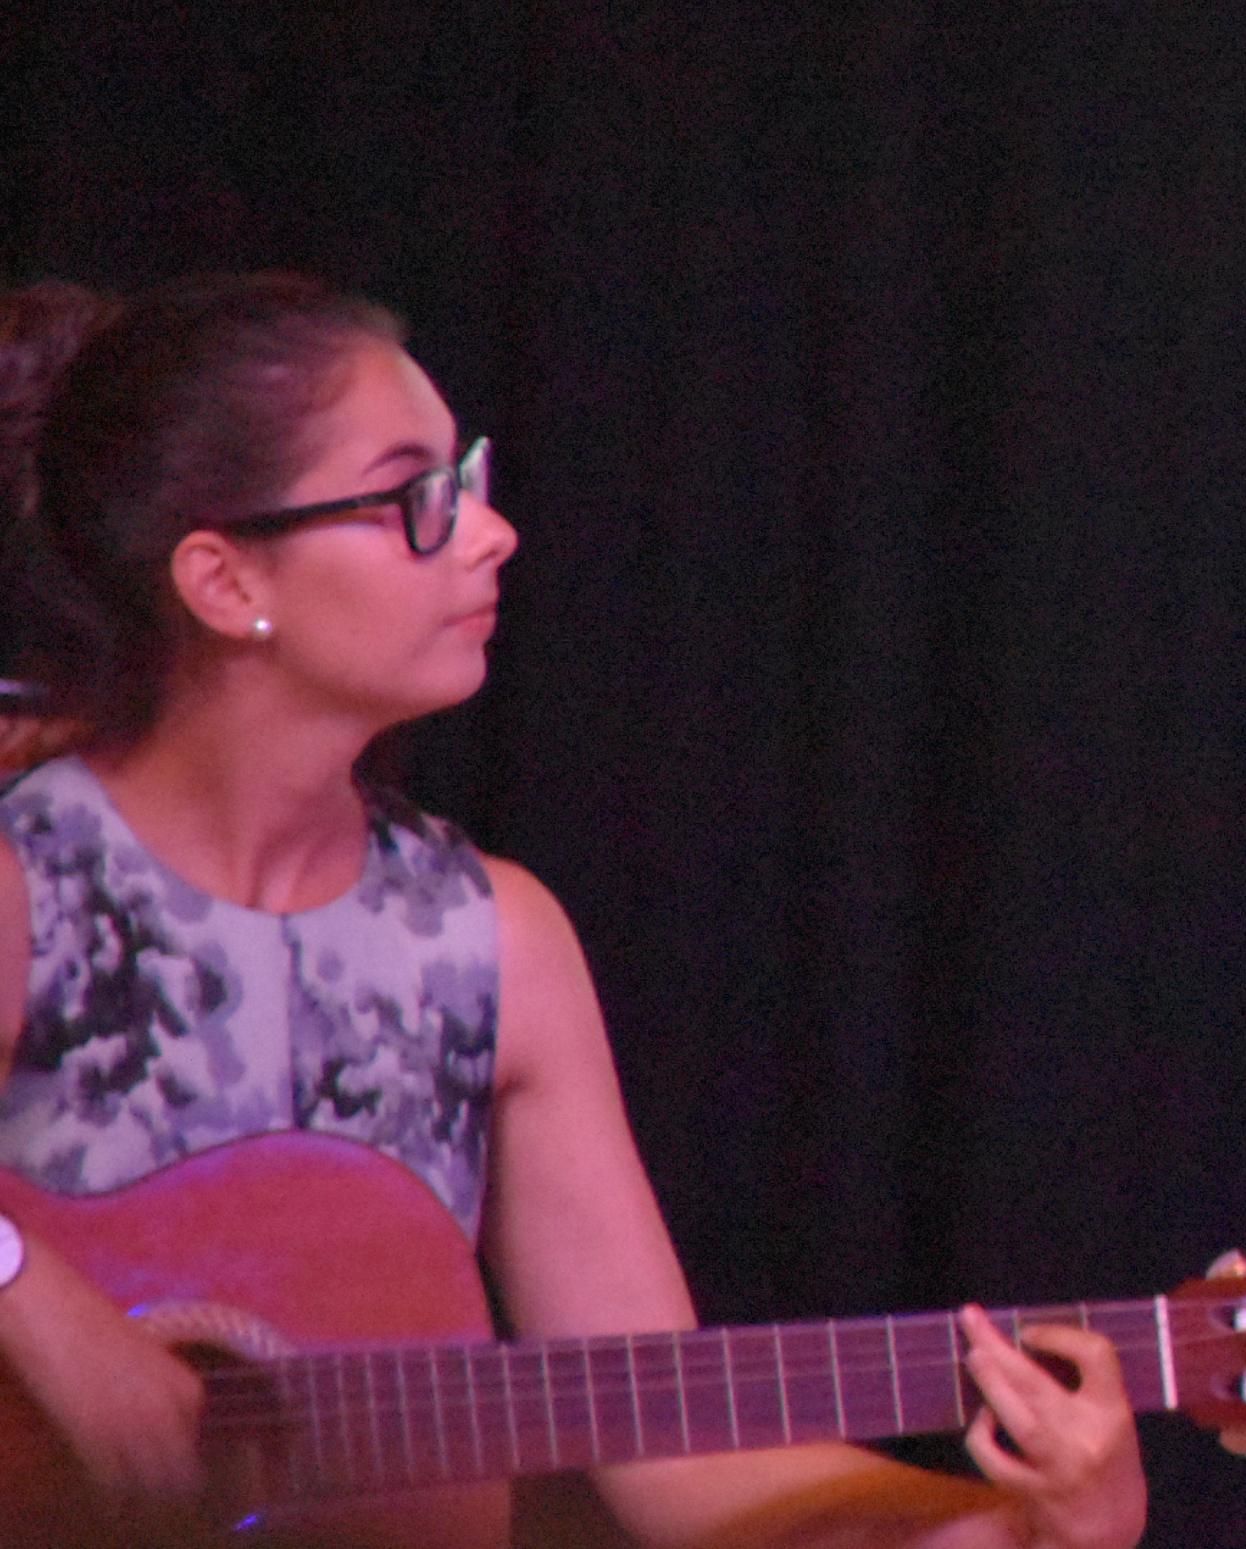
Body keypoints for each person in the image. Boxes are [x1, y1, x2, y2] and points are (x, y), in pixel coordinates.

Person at [0, 274, 1145, 1547]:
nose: (491, 534)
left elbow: (677, 1464)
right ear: (224, 581)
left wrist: (1025, 1529)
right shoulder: (27, 873)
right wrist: (34, 1302)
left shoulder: (493, 942)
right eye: (414, 500)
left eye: (468, 480)